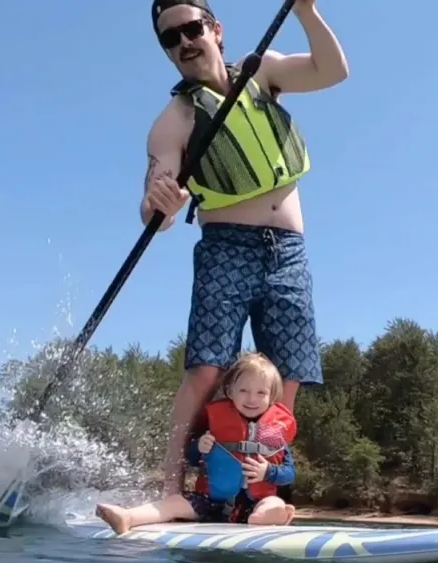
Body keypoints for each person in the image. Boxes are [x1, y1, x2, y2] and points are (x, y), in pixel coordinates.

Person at [142, 0, 349, 496]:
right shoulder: (174, 121)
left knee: (287, 376)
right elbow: (156, 214)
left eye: (191, 29)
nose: (184, 42)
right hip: (226, 247)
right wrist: (160, 202)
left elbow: (332, 71)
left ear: (215, 30)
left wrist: (306, 11)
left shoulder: (263, 72)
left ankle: (261, 494)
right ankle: (171, 491)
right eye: (170, 38)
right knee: (207, 368)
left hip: (289, 252)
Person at [96, 352, 298, 534]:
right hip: (210, 502)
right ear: (230, 391)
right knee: (175, 502)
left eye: (261, 393)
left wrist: (268, 472)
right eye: (244, 390)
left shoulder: (274, 433)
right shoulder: (215, 423)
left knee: (272, 501)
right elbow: (192, 459)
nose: (252, 398)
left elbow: (289, 473)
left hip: (254, 504)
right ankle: (128, 517)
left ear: (271, 397)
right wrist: (199, 447)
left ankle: (268, 515)